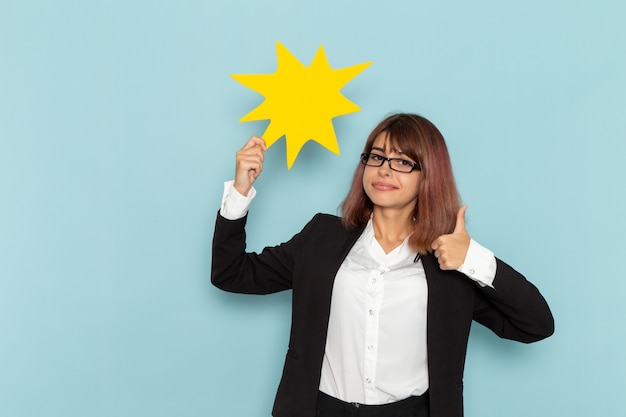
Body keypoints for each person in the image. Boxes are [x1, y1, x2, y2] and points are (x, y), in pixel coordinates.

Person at [211, 113, 554, 417]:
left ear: (428, 175)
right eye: (376, 157)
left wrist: (474, 259)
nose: (385, 169)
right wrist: (240, 191)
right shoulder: (321, 238)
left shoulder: (449, 263)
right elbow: (232, 274)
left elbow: (535, 324)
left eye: (403, 161)